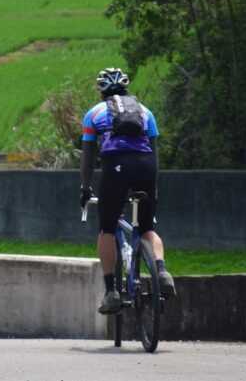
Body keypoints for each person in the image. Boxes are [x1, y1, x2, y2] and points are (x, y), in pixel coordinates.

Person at [79, 67, 175, 314]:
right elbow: (153, 152)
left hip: (116, 167)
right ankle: (162, 272)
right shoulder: (146, 112)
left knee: (107, 228)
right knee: (147, 228)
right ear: (126, 88)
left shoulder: (94, 114)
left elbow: (88, 157)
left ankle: (111, 292)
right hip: (146, 167)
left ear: (101, 90)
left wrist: (85, 188)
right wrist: (153, 188)